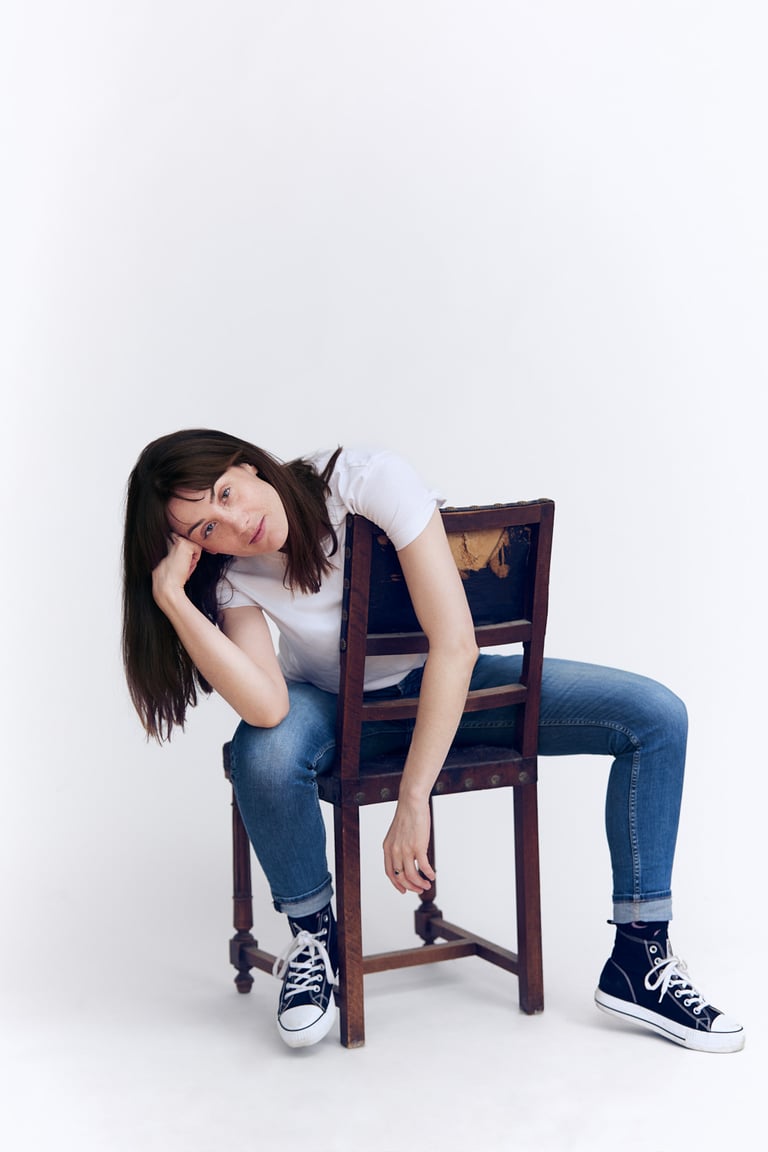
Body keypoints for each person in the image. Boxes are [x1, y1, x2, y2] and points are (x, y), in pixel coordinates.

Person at [122, 428, 744, 1053]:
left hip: (442, 688)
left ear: (249, 466)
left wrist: (412, 798)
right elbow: (269, 705)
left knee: (655, 717)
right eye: (206, 528)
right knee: (264, 750)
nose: (235, 525)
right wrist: (171, 596)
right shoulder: (231, 572)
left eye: (226, 494)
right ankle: (315, 939)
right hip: (331, 706)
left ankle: (639, 955)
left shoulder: (361, 482)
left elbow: (456, 645)